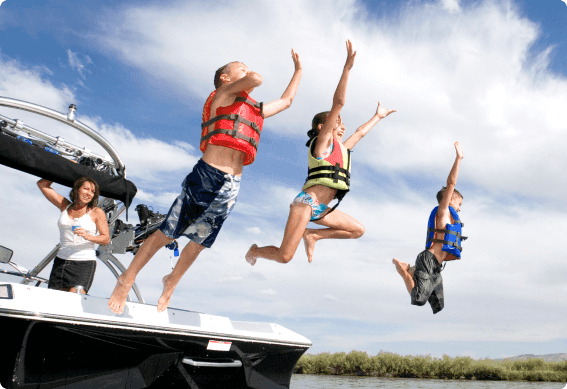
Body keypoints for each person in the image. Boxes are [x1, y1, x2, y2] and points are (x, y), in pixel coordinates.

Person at [109, 49, 303, 314]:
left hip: (232, 185)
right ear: (225, 78)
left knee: (200, 241)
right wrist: (249, 76)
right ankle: (126, 278)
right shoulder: (222, 96)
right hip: (207, 176)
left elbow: (287, 101)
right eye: (240, 69)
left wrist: (298, 71)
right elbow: (255, 79)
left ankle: (171, 280)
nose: (247, 72)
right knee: (168, 233)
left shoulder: (254, 110)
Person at [245, 40, 395, 265]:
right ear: (322, 128)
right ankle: (254, 251)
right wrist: (346, 69)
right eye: (337, 123)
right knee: (284, 256)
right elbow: (339, 103)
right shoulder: (322, 144)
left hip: (322, 209)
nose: (341, 126)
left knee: (357, 230)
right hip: (306, 203)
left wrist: (378, 117)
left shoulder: (342, 149)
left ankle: (312, 234)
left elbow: (360, 132)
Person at [392, 142, 465, 314]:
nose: (460, 208)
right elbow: (451, 183)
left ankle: (413, 269)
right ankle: (404, 271)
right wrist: (458, 159)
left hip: (435, 265)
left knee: (438, 305)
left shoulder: (451, 219)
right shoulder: (444, 210)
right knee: (418, 299)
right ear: (450, 199)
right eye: (459, 203)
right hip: (428, 260)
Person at [37, 177, 110, 294]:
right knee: (54, 300)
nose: (89, 194)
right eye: (86, 189)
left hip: (84, 263)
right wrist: (63, 165)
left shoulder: (96, 212)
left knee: (73, 301)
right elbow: (42, 184)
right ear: (77, 189)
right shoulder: (64, 205)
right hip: (61, 261)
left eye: (92, 192)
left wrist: (88, 236)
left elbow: (105, 239)